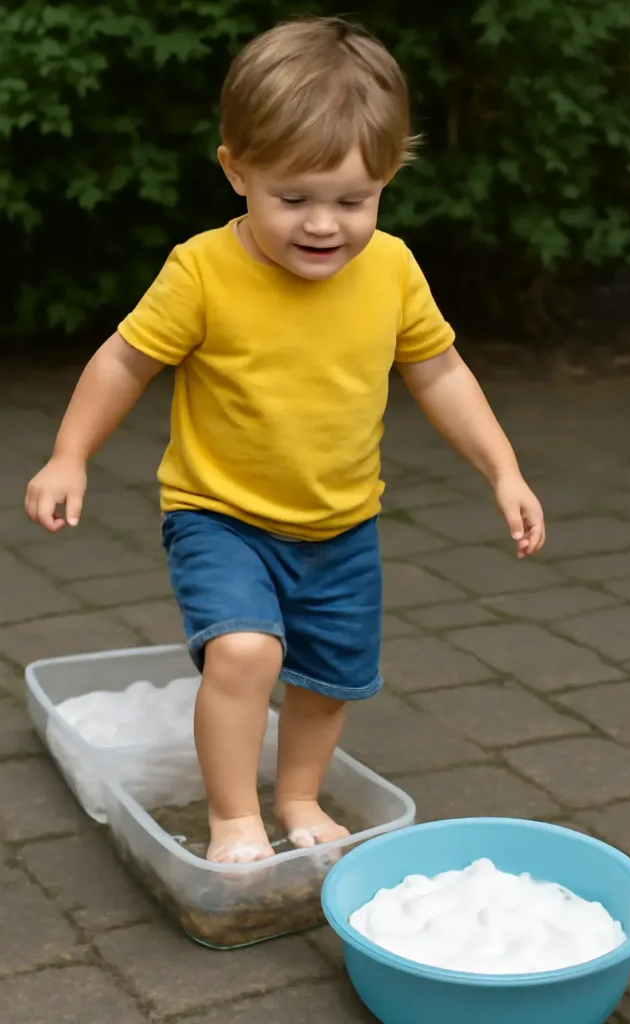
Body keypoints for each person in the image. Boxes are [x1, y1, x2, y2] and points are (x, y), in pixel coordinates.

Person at [25, 17, 545, 864]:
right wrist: (69, 455)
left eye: (352, 201)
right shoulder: (202, 271)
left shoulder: (392, 269)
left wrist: (503, 470)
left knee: (329, 677)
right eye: (293, 199)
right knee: (244, 652)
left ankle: (298, 795)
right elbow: (124, 360)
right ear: (236, 170)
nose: (323, 225)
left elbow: (440, 372)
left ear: (387, 177)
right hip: (220, 516)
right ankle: (234, 816)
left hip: (342, 525)